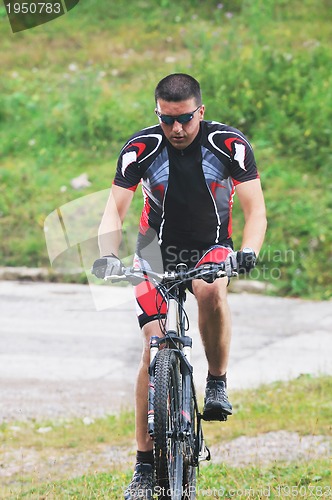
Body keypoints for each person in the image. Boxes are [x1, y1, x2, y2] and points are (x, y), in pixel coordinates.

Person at [92, 73, 267, 499]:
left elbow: (255, 209)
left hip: (211, 245)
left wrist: (248, 251)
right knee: (152, 351)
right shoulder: (140, 149)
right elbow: (114, 210)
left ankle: (217, 381)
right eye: (167, 119)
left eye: (185, 119)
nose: (176, 129)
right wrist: (108, 254)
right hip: (154, 249)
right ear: (158, 114)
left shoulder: (228, 145)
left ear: (200, 112)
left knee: (210, 291)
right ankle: (145, 467)